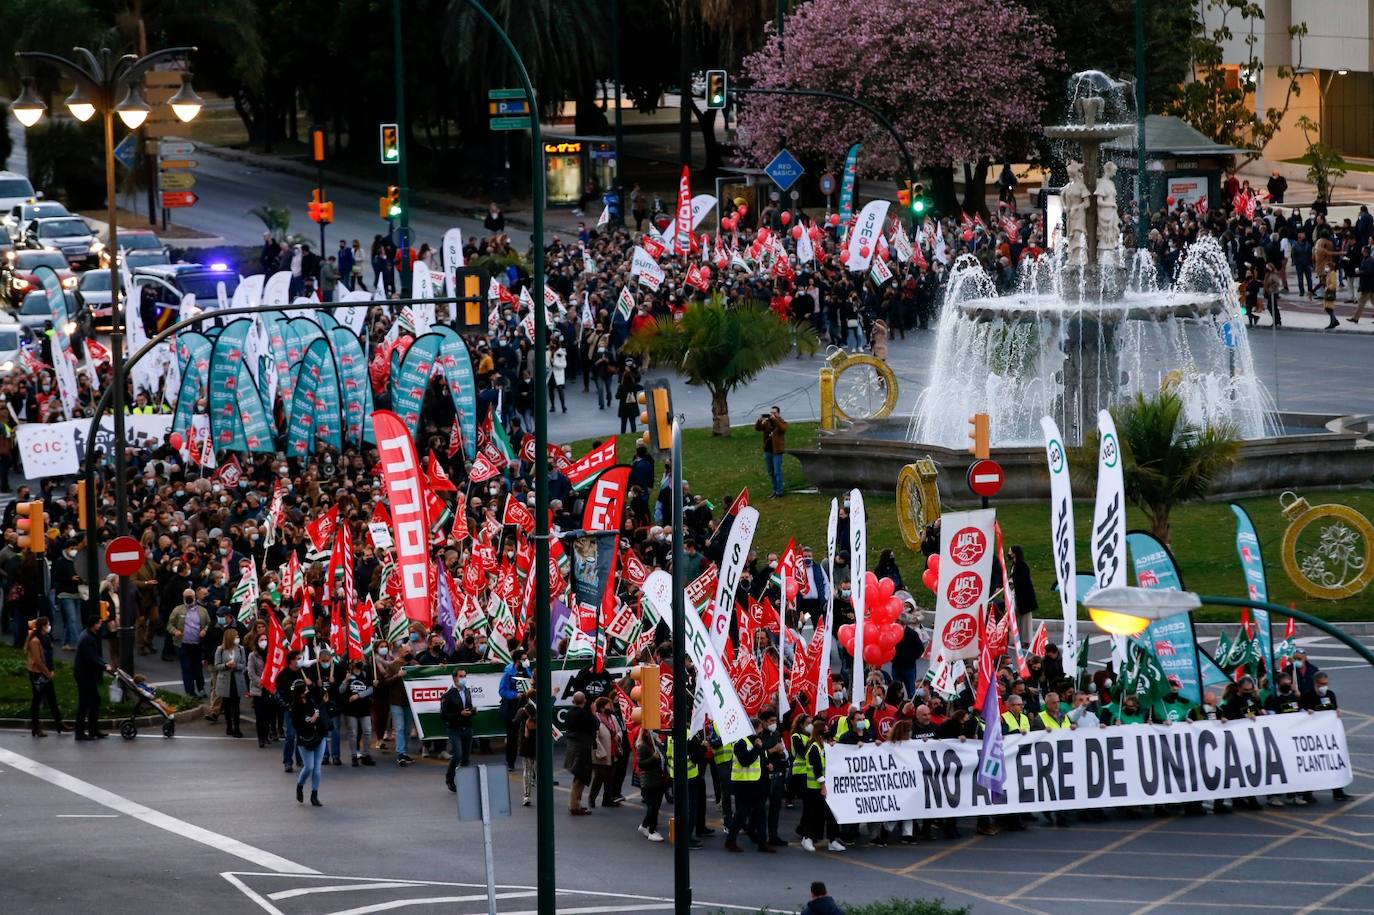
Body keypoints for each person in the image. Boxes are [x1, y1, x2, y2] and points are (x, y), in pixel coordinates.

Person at [725, 717, 774, 853]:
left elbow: (761, 760)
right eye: (760, 728)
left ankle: (762, 842)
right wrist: (757, 748)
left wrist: (768, 765)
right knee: (741, 813)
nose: (762, 730)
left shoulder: (757, 742)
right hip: (743, 784)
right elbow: (745, 761)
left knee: (761, 813)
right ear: (754, 728)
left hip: (757, 783)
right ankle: (730, 841)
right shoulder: (741, 743)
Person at [73, 615, 113, 740]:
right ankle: (80, 732)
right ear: (93, 624)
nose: (100, 625)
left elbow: (94, 655)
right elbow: (91, 657)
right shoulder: (87, 638)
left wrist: (104, 663)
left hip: (86, 673)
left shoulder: (88, 635)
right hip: (84, 674)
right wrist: (104, 666)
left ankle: (93, 730)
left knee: (94, 700)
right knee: (85, 703)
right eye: (99, 623)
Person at [25, 616, 66, 737]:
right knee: (37, 700)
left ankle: (59, 723)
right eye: (47, 624)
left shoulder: (46, 638)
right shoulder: (35, 641)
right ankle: (35, 726)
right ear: (43, 626)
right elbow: (37, 660)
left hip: (45, 672)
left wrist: (51, 669)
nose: (49, 626)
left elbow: (48, 656)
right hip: (37, 673)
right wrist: (48, 673)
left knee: (52, 698)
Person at [290, 679, 327, 807]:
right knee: (309, 766)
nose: (307, 690)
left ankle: (314, 795)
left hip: (319, 736)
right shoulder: (295, 708)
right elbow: (298, 726)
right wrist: (311, 720)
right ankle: (300, 785)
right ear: (300, 693)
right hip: (305, 739)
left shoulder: (311, 700)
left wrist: (318, 713)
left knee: (317, 768)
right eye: (305, 689)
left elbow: (319, 709)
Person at [168, 588, 208, 698]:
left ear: (195, 597)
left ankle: (201, 688)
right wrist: (175, 631)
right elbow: (169, 625)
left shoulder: (202, 611)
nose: (189, 599)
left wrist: (205, 630)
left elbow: (209, 623)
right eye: (187, 597)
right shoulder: (178, 610)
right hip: (183, 645)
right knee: (186, 668)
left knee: (198, 669)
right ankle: (190, 692)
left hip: (197, 644)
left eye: (191, 596)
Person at [442, 668, 475, 791]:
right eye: (461, 676)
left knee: (466, 758)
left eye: (464, 676)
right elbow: (443, 715)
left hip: (467, 727)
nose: (463, 678)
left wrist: (471, 711)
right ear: (454, 678)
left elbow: (469, 706)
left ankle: (464, 781)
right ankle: (450, 778)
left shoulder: (467, 691)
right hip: (454, 728)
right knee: (458, 755)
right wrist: (459, 714)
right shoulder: (448, 695)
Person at [563, 691, 596, 815]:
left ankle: (576, 803)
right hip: (581, 748)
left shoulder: (569, 713)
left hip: (572, 746)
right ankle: (574, 805)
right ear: (584, 701)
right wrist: (593, 713)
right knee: (580, 777)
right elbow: (594, 726)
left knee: (578, 776)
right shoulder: (584, 714)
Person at [499, 648, 531, 770]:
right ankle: (510, 762)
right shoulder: (508, 673)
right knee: (512, 737)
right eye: (524, 659)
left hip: (525, 706)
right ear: (518, 661)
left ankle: (530, 764)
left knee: (527, 736)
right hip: (511, 707)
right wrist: (515, 695)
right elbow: (502, 690)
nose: (526, 661)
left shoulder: (526, 671)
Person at [341, 657, 376, 767]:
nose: (359, 662)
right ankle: (354, 755)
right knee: (353, 733)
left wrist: (358, 695)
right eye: (357, 660)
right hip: (351, 709)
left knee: (367, 731)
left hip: (364, 708)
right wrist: (345, 681)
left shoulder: (365, 674)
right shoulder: (348, 675)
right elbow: (341, 690)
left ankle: (366, 755)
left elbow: (371, 689)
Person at [212, 627, 247, 738]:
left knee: (236, 705)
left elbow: (243, 665)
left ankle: (237, 728)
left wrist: (236, 666)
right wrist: (226, 665)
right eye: (236, 636)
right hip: (225, 680)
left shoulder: (241, 649)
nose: (238, 638)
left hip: (237, 680)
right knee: (227, 705)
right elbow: (217, 666)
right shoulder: (220, 649)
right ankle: (229, 726)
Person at [635, 727, 667, 841]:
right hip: (649, 781)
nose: (653, 733)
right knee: (652, 807)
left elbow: (663, 757)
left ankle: (645, 826)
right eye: (650, 731)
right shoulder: (642, 746)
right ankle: (651, 830)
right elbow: (641, 764)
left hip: (658, 779)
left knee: (656, 806)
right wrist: (653, 758)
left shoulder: (655, 744)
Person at [754, 406, 788, 499]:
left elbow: (783, 429)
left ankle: (779, 491)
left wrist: (775, 420)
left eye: (774, 413)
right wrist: (759, 420)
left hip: (777, 452)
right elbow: (757, 428)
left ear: (778, 413)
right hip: (768, 451)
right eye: (771, 413)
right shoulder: (767, 423)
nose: (772, 414)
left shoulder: (782, 422)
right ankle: (774, 490)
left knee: (777, 472)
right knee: (771, 472)